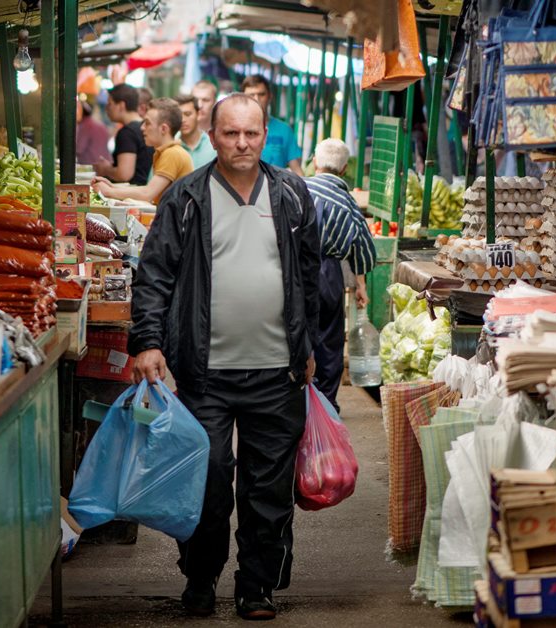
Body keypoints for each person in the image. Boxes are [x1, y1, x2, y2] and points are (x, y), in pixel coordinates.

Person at [128, 94, 320, 621]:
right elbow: (155, 275)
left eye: (251, 134)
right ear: (212, 136)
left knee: (268, 490)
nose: (242, 143)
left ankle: (256, 586)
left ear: (265, 135)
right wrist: (147, 341)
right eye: (231, 133)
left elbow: (313, 281)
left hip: (276, 373)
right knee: (207, 481)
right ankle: (201, 577)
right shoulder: (187, 197)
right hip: (202, 373)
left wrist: (313, 351)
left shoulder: (292, 195)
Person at [304, 138, 377, 411]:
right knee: (329, 338)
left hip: (295, 268)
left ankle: (293, 400)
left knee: (295, 330)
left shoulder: (297, 188)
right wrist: (360, 285)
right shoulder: (348, 202)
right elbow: (364, 248)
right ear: (345, 168)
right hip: (329, 273)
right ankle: (325, 405)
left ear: (314, 161)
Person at [93, 98, 193, 205]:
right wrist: (112, 186)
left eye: (147, 123)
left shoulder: (172, 153)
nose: (142, 127)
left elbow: (147, 193)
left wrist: (109, 191)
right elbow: (148, 189)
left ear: (164, 129)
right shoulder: (167, 152)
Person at [241, 75, 303, 175]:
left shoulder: (284, 130)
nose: (256, 99)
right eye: (251, 95)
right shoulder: (235, 130)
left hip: (275, 188)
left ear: (270, 96)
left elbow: (297, 170)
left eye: (261, 94)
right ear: (243, 99)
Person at [93, 84, 154, 185]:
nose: (107, 108)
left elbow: (124, 174)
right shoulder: (144, 127)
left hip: (132, 195)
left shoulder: (127, 133)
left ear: (121, 105)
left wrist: (105, 169)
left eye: (110, 104)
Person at [174, 94, 216, 169]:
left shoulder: (214, 146)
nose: (183, 120)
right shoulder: (170, 146)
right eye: (178, 116)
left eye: (188, 114)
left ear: (198, 114)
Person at [76, 101, 111, 165]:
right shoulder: (99, 125)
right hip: (105, 163)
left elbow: (79, 149)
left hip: (91, 165)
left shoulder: (85, 126)